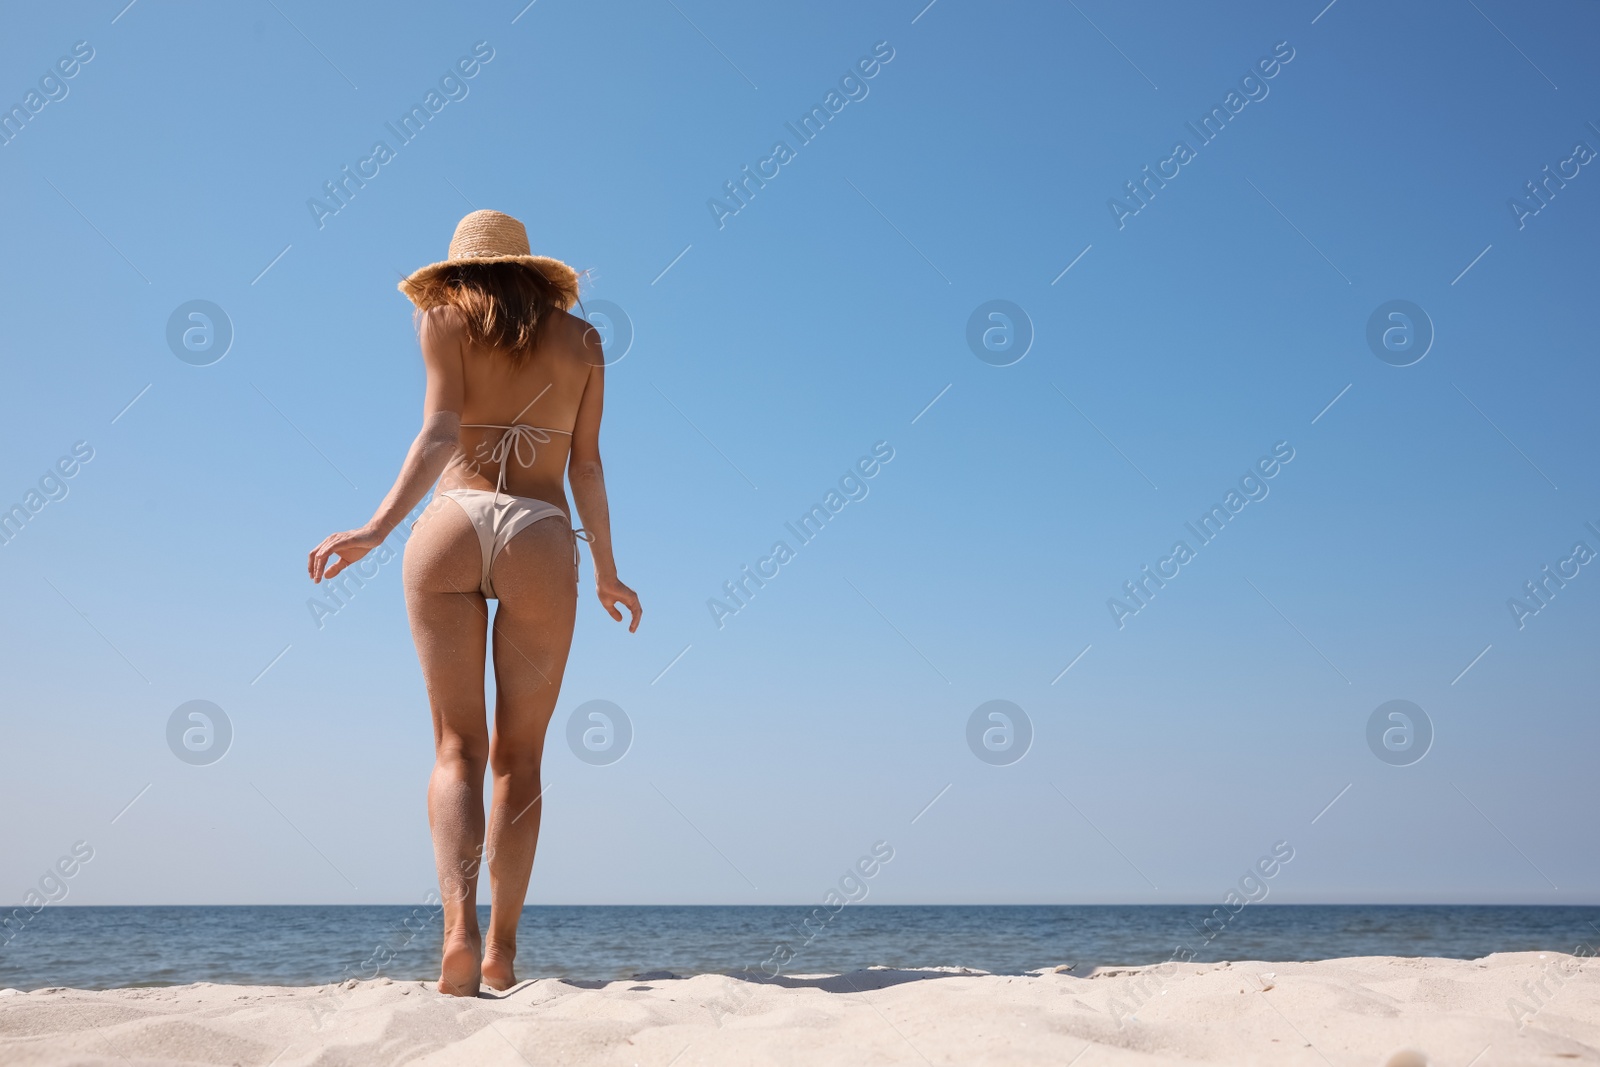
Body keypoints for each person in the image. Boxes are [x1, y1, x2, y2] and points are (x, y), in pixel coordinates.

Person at [307, 210, 641, 996]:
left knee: (456, 747)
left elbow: (436, 435)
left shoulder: (442, 321)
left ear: (459, 270)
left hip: (450, 525)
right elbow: (586, 466)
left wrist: (375, 529)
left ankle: (455, 930)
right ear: (533, 269)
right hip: (539, 532)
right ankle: (502, 950)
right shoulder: (585, 343)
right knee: (518, 758)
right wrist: (607, 572)